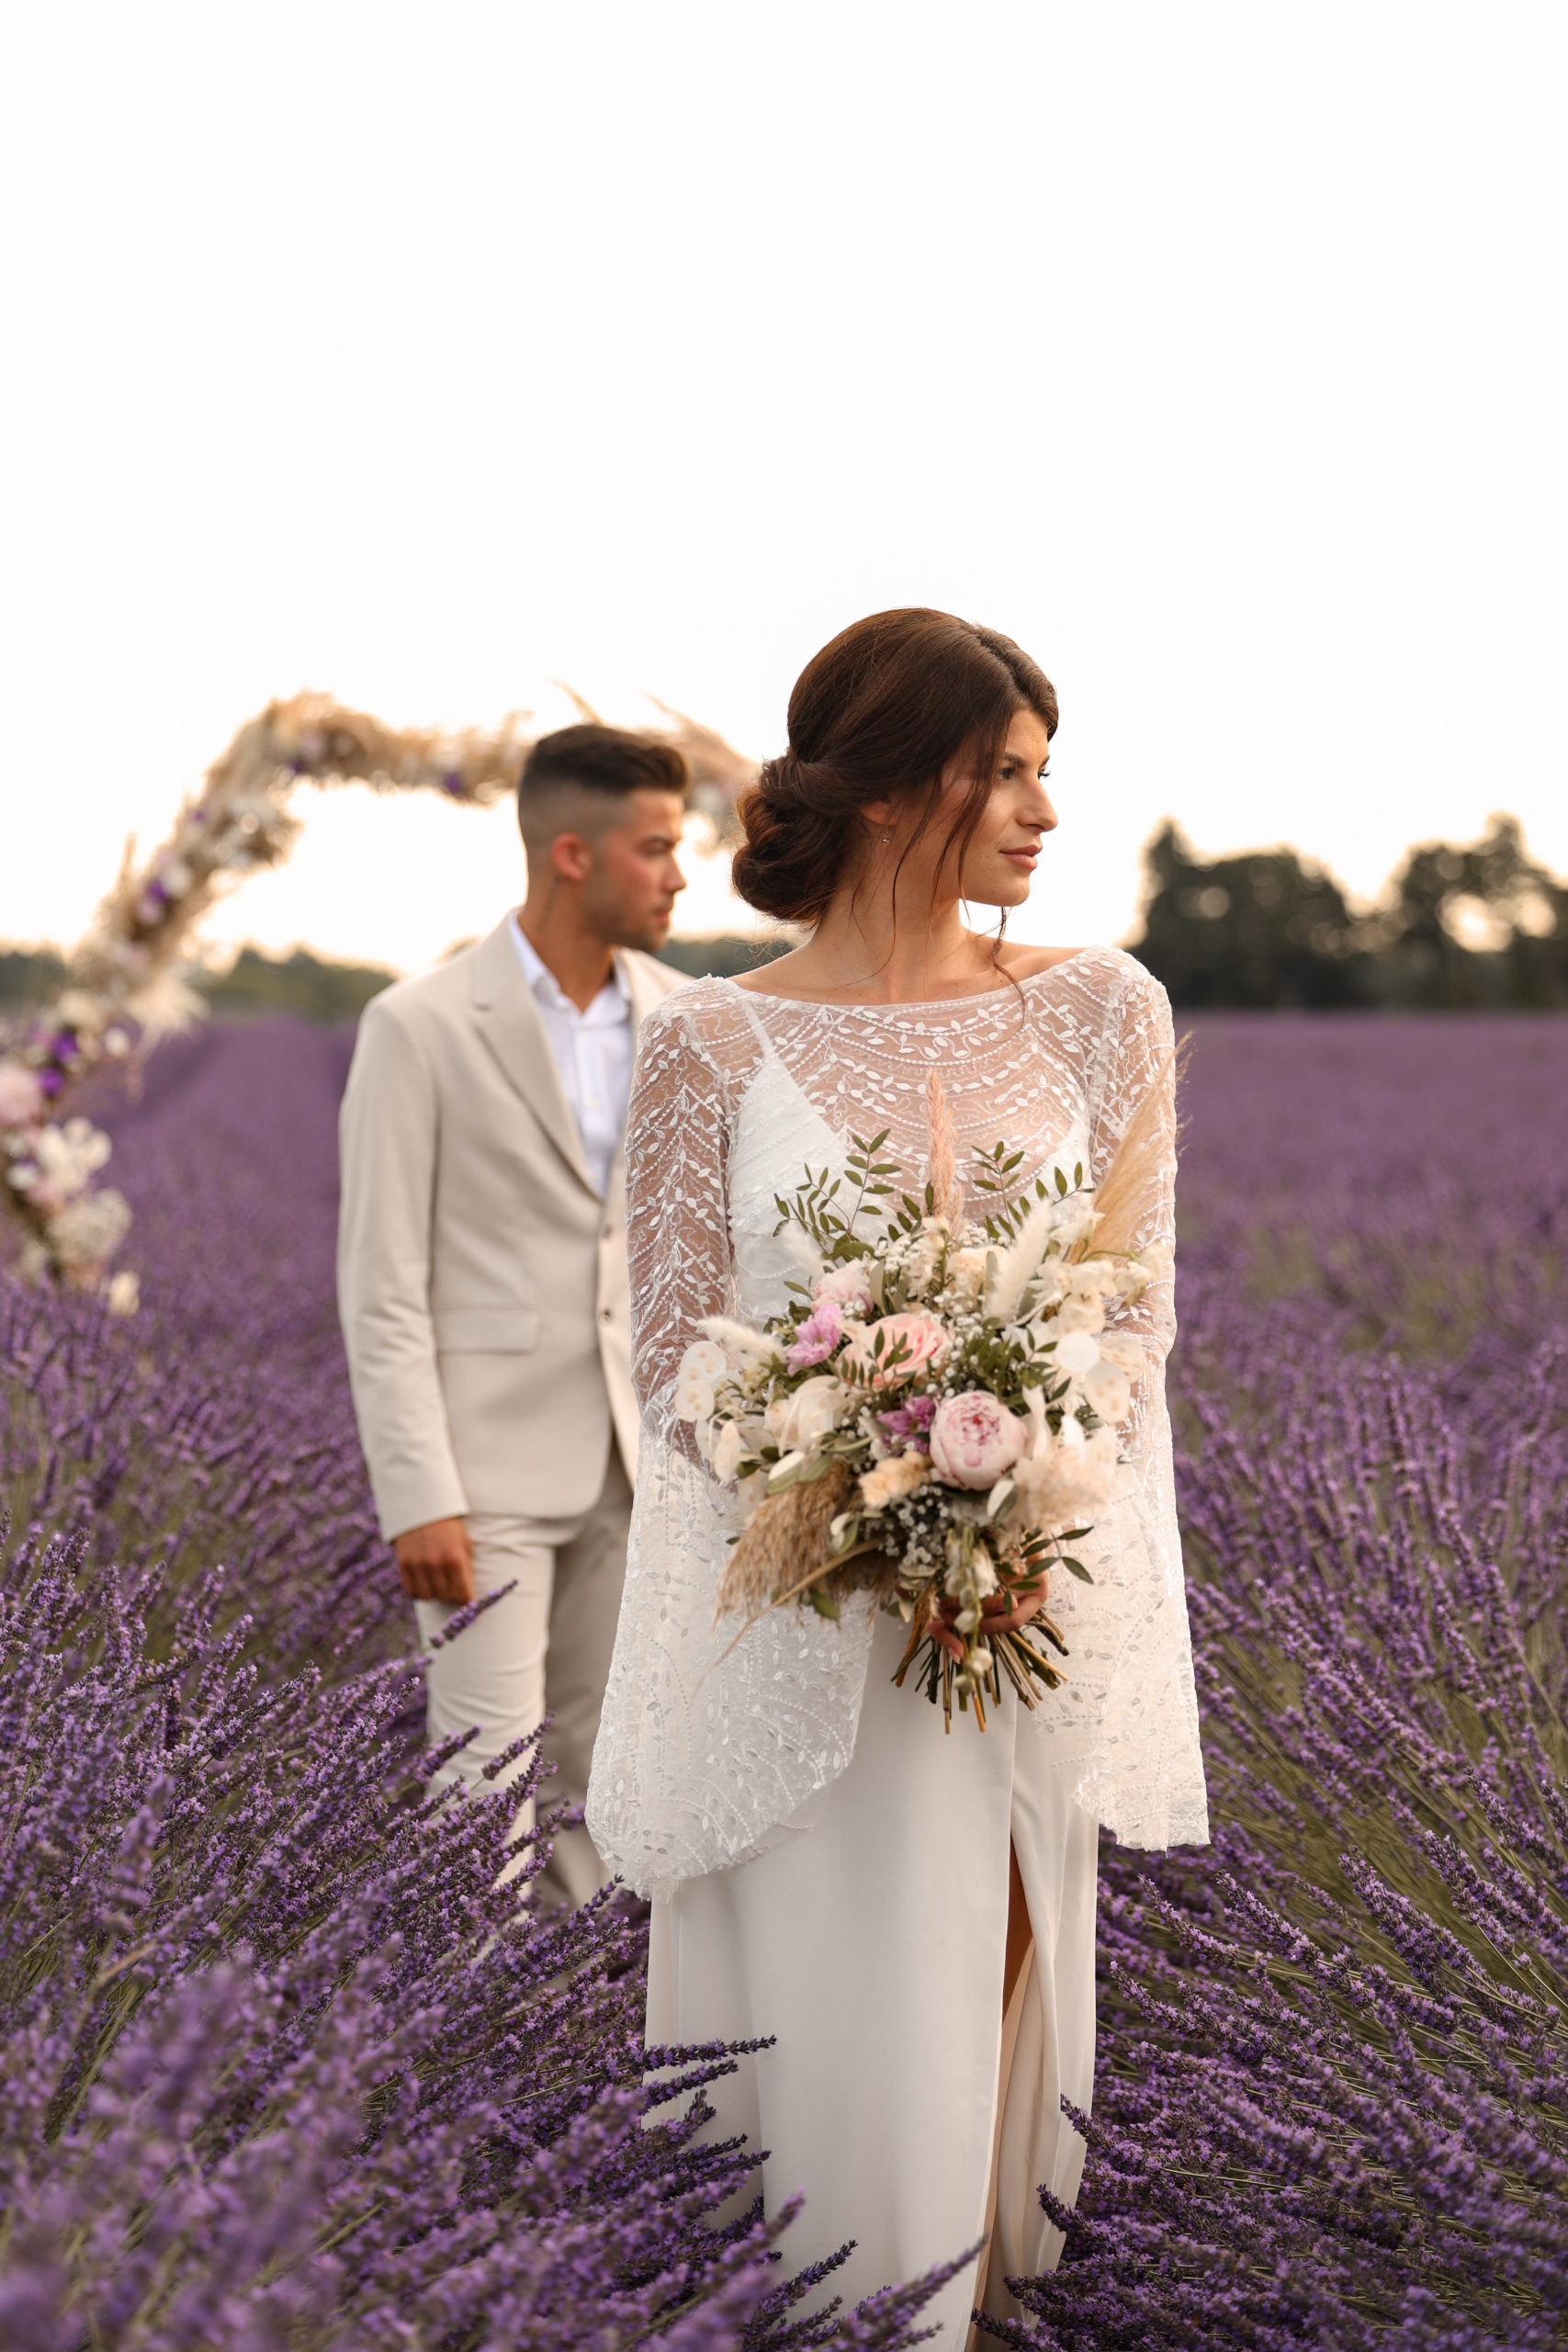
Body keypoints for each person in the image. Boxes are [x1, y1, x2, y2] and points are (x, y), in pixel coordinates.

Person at [587, 612, 1209, 2344]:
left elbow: (1135, 1318)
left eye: (1042, 772)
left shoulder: (1103, 1010)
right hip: (800, 1620)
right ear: (881, 790)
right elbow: (675, 1358)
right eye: (1000, 773)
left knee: (981, 2017)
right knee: (824, 2022)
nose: (1041, 811)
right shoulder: (708, 1042)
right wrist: (855, 1466)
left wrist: (1006, 1494)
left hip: (1015, 1615)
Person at [338, 724, 690, 1905]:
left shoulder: (688, 1018)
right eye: (656, 848)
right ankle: (463, 2020)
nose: (680, 876)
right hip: (479, 1482)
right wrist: (418, 1493)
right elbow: (381, 1283)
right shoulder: (420, 1025)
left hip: (639, 1466)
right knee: (482, 1791)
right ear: (572, 854)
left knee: (602, 1788)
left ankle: (581, 2016)